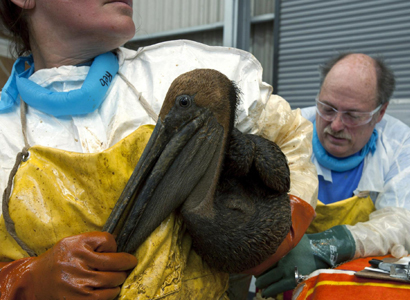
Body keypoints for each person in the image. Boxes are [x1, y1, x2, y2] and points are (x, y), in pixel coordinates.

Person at [0, 1, 318, 299]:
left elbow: (291, 136)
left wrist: (283, 226)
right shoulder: (6, 132)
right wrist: (26, 281)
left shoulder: (185, 68)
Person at [255, 52, 410, 298]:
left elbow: (404, 224)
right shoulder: (289, 129)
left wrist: (331, 245)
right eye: (327, 108)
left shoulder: (401, 146)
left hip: (352, 290)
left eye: (353, 116)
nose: (336, 125)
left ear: (380, 113)